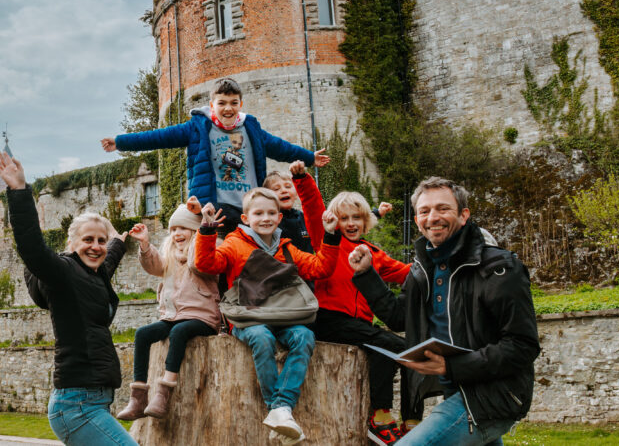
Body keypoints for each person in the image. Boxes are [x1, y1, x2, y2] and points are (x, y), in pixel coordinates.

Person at [348, 177, 541, 446]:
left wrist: (451, 366)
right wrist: (367, 275)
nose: (433, 217)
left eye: (443, 208)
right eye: (424, 211)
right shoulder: (422, 270)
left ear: (464, 216)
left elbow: (523, 346)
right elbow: (398, 317)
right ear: (416, 220)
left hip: (493, 396)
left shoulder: (499, 268)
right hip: (456, 391)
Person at [0, 150, 137, 446]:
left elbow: (107, 260)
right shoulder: (63, 274)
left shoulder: (92, 275)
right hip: (77, 406)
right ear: (71, 244)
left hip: (95, 402)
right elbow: (32, 246)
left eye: (100, 240)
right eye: (88, 240)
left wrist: (118, 241)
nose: (96, 246)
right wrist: (19, 191)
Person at [194, 187, 340, 444]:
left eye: (271, 213)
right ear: (245, 218)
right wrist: (206, 230)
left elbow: (321, 268)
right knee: (261, 337)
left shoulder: (287, 249)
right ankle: (279, 409)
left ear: (280, 218)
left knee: (304, 336)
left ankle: (281, 408)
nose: (265, 218)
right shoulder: (234, 243)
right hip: (247, 318)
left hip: (284, 316)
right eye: (258, 213)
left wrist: (330, 235)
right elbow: (207, 264)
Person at [101, 77, 330, 238]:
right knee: (220, 259)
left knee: (251, 259)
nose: (227, 108)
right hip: (216, 207)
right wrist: (121, 142)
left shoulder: (251, 129)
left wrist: (309, 157)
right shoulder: (197, 128)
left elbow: (282, 148)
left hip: (248, 209)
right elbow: (158, 137)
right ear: (212, 105)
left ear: (240, 105)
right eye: (221, 103)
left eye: (233, 103)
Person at [292, 187, 413, 445]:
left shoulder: (374, 253)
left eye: (355, 218)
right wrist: (302, 178)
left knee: (399, 350)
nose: (350, 223)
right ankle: (380, 419)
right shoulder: (328, 242)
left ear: (365, 220)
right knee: (394, 344)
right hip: (328, 318)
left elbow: (408, 273)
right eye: (343, 218)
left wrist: (440, 260)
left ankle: (409, 421)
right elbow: (313, 210)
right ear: (335, 221)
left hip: (360, 325)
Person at [117, 198, 221, 421]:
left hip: (202, 317)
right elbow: (154, 266)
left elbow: (198, 260)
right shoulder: (171, 257)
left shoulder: (204, 253)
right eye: (173, 229)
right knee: (142, 334)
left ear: (195, 230)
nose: (177, 233)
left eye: (183, 228)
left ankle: (164, 393)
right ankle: (138, 397)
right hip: (173, 316)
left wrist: (204, 226)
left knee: (179, 332)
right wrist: (145, 244)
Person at [262, 160, 325, 253]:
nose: (284, 191)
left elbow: (315, 212)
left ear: (296, 194)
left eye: (288, 186)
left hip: (307, 266)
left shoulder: (303, 218)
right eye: (276, 188)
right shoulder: (267, 221)